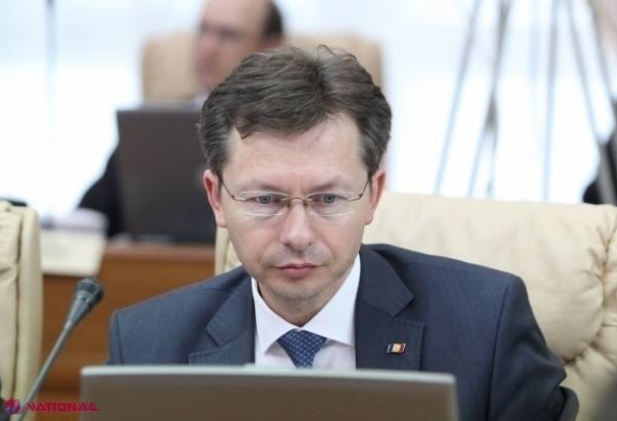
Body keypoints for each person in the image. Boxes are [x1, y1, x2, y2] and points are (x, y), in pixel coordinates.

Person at [108, 46, 578, 420]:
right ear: (217, 199)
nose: (297, 234)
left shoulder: (485, 327)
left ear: (373, 195)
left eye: (328, 199)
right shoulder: (147, 347)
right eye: (266, 200)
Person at [78, 0, 284, 237]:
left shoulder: (288, 134)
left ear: (270, 46)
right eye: (203, 30)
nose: (208, 47)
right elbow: (90, 213)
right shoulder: (155, 127)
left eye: (228, 35)